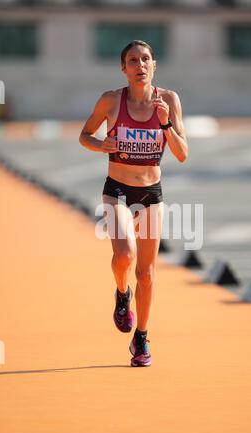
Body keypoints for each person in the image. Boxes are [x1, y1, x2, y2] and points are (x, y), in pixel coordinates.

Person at [79, 39, 188, 367]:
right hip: (118, 191)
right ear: (123, 68)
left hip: (152, 194)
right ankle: (121, 293)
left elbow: (182, 154)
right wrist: (102, 145)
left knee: (147, 272)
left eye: (145, 59)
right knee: (124, 256)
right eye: (132, 60)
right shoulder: (111, 101)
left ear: (154, 65)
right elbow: (85, 135)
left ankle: (141, 337)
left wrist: (166, 123)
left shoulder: (168, 100)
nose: (139, 65)